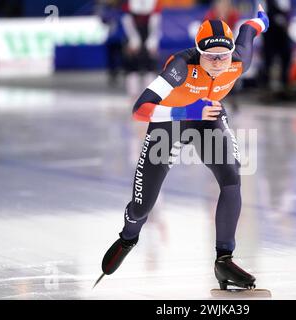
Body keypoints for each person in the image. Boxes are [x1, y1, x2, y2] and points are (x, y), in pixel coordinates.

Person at [96, 4, 269, 291]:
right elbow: (140, 109)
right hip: (170, 123)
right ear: (198, 53)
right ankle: (129, 235)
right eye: (210, 57)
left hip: (208, 118)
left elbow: (249, 30)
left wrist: (260, 18)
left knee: (232, 177)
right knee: (143, 206)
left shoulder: (239, 61)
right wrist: (186, 111)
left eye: (223, 56)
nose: (218, 63)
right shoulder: (180, 66)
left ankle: (224, 259)